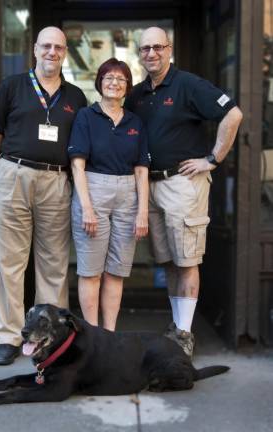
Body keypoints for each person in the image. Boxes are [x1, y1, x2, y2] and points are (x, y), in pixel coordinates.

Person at [125, 27, 243, 357]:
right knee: (169, 261)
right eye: (145, 48)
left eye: (157, 47)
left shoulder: (188, 85)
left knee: (187, 259)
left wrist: (213, 158)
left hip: (182, 183)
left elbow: (233, 114)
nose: (151, 53)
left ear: (169, 49)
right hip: (151, 185)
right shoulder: (137, 95)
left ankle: (185, 333)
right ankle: (178, 326)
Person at [0, 26, 87, 365]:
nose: (52, 52)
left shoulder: (75, 97)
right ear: (35, 49)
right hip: (13, 175)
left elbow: (81, 151)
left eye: (58, 47)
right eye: (46, 46)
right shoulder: (12, 87)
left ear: (65, 52)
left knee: (54, 264)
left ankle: (50, 336)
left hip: (56, 182)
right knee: (10, 263)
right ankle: (9, 337)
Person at [68, 58, 149, 331]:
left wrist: (142, 212)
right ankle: (92, 333)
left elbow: (141, 170)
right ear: (100, 83)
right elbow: (77, 165)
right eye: (108, 77)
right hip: (93, 190)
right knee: (91, 271)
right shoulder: (86, 117)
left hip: (128, 195)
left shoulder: (135, 121)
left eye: (121, 79)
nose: (114, 83)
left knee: (117, 271)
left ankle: (109, 333)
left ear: (127, 86)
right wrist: (87, 207)